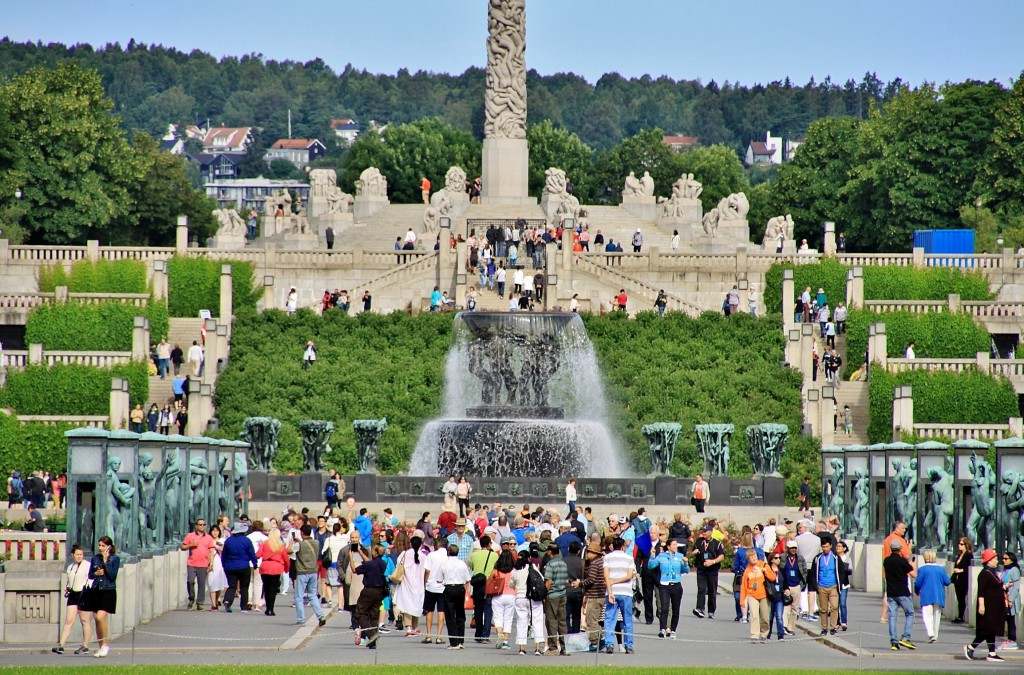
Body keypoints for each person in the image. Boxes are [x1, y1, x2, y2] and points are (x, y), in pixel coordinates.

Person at [964, 549, 1007, 661]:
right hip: (988, 606)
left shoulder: (992, 573)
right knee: (986, 629)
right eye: (994, 558)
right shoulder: (984, 574)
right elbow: (981, 592)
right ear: (988, 561)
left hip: (995, 607)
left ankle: (992, 653)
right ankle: (971, 646)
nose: (997, 560)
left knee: (991, 630)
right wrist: (981, 605)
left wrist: (1004, 586)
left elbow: (996, 587)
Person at [53, 544, 93, 655]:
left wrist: (88, 590)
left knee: (85, 621)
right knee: (69, 620)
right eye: (77, 554)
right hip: (73, 594)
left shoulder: (88, 566)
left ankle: (85, 646)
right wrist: (68, 587)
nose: (79, 556)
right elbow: (70, 580)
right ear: (73, 555)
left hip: (83, 594)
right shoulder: (70, 567)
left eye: (81, 554)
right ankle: (61, 645)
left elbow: (91, 579)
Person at [83, 536, 119, 658]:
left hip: (108, 591)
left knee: (100, 617)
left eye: (103, 545)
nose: (100, 548)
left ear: (109, 546)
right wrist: (95, 573)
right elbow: (90, 575)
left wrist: (105, 561)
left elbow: (112, 576)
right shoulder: (95, 558)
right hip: (96, 590)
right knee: (97, 621)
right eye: (99, 545)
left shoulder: (114, 559)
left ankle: (105, 645)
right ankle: (101, 646)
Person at [648, 536, 689, 639]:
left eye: (676, 545)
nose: (676, 547)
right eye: (674, 545)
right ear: (669, 546)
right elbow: (651, 566)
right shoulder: (661, 556)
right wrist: (652, 556)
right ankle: (662, 629)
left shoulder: (680, 556)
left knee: (676, 609)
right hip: (664, 585)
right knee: (664, 607)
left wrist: (685, 563)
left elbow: (685, 570)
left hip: (676, 585)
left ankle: (673, 630)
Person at [603, 536, 636, 654]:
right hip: (626, 591)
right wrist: (616, 581)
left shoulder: (607, 557)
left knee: (610, 618)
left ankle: (609, 644)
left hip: (612, 591)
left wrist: (610, 588)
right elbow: (629, 576)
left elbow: (606, 576)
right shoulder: (629, 558)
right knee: (627, 620)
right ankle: (629, 645)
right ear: (623, 546)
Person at [351, 543, 388, 648]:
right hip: (380, 591)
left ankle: (372, 634)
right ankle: (373, 642)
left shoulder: (370, 564)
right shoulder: (383, 563)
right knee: (374, 615)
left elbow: (355, 570)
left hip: (369, 590)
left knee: (359, 613)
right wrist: (360, 552)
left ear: (375, 552)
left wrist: (350, 558)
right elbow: (370, 562)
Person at [510, 549, 546, 655]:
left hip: (520, 597)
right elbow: (541, 579)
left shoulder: (515, 570)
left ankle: (521, 648)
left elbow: (511, 584)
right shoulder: (532, 567)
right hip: (533, 597)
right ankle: (538, 648)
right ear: (528, 558)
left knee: (521, 622)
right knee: (537, 621)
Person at [884, 538, 917, 651]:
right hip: (903, 592)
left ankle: (894, 641)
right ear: (900, 549)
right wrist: (913, 565)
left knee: (892, 617)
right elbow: (913, 574)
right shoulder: (903, 561)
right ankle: (905, 637)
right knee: (910, 613)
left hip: (891, 592)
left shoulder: (886, 561)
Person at [437, 543, 472, 650]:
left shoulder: (444, 563)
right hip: (460, 588)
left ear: (448, 552)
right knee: (460, 614)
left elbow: (438, 579)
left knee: (450, 616)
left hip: (449, 588)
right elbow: (467, 578)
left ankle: (454, 642)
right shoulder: (462, 564)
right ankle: (460, 640)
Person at [914, 548, 951, 643]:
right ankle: (936, 634)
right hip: (938, 595)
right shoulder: (941, 569)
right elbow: (947, 582)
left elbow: (918, 583)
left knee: (927, 615)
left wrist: (917, 590)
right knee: (937, 615)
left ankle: (931, 634)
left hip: (927, 594)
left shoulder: (922, 569)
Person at [293, 524, 328, 626]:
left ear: (302, 533)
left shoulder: (300, 544)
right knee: (313, 595)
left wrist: (293, 540)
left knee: (299, 596)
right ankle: (320, 615)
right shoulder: (316, 542)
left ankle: (301, 618)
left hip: (302, 572)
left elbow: (289, 550)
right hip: (313, 571)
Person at [807, 538, 840, 636]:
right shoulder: (818, 558)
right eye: (823, 547)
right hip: (822, 586)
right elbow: (813, 572)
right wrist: (815, 585)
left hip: (833, 585)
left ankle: (833, 627)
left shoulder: (835, 557)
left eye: (827, 546)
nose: (825, 549)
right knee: (823, 609)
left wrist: (839, 584)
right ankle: (824, 628)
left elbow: (841, 571)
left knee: (834, 607)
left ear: (830, 546)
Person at [181, 518, 214, 611]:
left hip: (203, 564)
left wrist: (211, 563)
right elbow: (183, 547)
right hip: (192, 563)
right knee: (190, 581)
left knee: (201, 584)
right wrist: (191, 545)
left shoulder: (208, 537)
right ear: (196, 526)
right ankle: (191, 599)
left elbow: (211, 550)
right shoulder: (190, 536)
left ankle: (200, 603)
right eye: (200, 525)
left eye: (204, 525)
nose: (202, 526)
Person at [692, 524, 724, 619]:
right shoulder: (699, 541)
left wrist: (712, 562)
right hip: (701, 569)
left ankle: (711, 610)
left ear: (711, 532)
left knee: (712, 591)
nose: (704, 533)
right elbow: (693, 551)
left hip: (712, 571)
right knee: (701, 589)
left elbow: (721, 556)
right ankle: (700, 609)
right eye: (703, 531)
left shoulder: (716, 543)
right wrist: (694, 552)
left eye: (705, 531)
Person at [256, 527, 290, 616]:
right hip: (276, 567)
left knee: (266, 588)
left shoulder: (264, 543)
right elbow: (286, 559)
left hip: (265, 566)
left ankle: (268, 608)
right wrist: (286, 568)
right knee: (273, 589)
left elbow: (258, 555)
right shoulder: (281, 545)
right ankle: (271, 609)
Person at [422, 537, 449, 644]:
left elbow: (427, 570)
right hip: (443, 586)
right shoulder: (447, 556)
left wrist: (425, 581)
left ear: (438, 545)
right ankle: (439, 636)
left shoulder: (431, 555)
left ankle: (428, 635)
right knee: (441, 611)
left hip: (431, 586)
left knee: (429, 610)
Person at [950, 537, 974, 624]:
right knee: (959, 598)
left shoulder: (968, 555)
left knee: (962, 598)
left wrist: (961, 570)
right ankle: (959, 615)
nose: (959, 546)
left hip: (963, 579)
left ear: (966, 545)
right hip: (957, 579)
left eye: (961, 544)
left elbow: (968, 567)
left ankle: (961, 616)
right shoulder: (960, 555)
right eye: (959, 544)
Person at [1000, 552, 1020, 651]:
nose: (1003, 560)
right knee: (1008, 620)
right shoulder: (1006, 570)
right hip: (1005, 598)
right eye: (1003, 558)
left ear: (1011, 560)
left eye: (1006, 559)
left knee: (1011, 620)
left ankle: (1013, 640)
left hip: (1010, 599)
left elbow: (1016, 587)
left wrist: (1011, 600)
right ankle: (1009, 640)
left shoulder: (1014, 570)